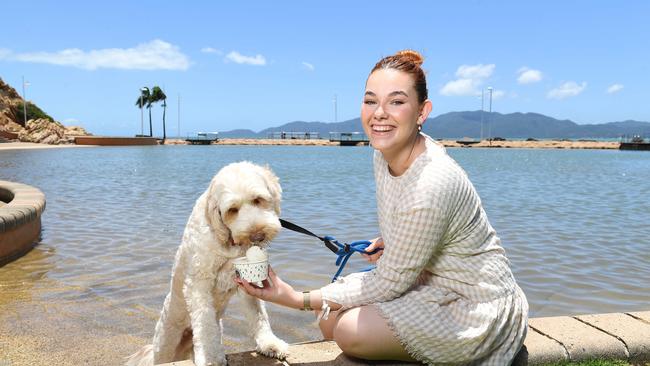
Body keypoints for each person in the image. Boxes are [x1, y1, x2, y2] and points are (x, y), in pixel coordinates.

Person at [235, 50, 529, 365]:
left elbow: (389, 279)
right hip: (430, 281)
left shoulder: (433, 181)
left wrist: (294, 297)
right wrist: (395, 240)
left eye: (397, 102)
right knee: (328, 320)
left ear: (422, 111)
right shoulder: (383, 153)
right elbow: (420, 222)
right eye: (371, 100)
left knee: (347, 329)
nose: (380, 113)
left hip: (474, 304)